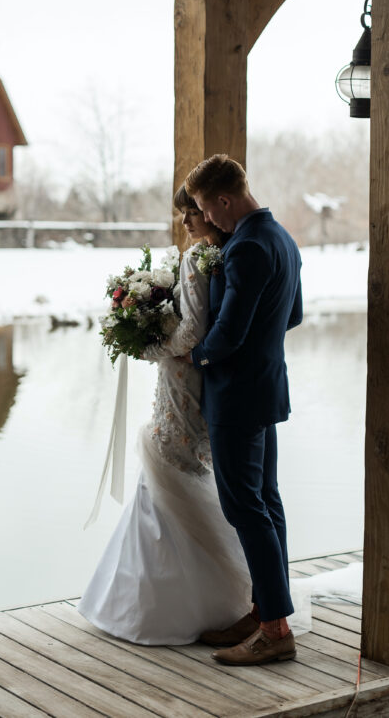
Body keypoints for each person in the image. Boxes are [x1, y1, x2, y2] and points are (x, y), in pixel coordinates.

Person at [77, 185, 251, 644]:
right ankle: (218, 596)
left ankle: (161, 607)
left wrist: (150, 345)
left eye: (191, 213)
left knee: (170, 461)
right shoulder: (220, 255)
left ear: (210, 212)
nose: (186, 222)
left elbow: (192, 330)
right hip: (202, 378)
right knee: (183, 463)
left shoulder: (197, 259)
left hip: (183, 374)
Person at [183, 153, 303, 666]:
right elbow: (291, 315)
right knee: (266, 501)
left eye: (208, 209)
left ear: (225, 200)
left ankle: (275, 631)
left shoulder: (247, 247)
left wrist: (193, 354)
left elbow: (227, 334)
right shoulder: (281, 237)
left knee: (244, 507)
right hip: (265, 387)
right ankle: (264, 611)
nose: (207, 220)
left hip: (236, 395)